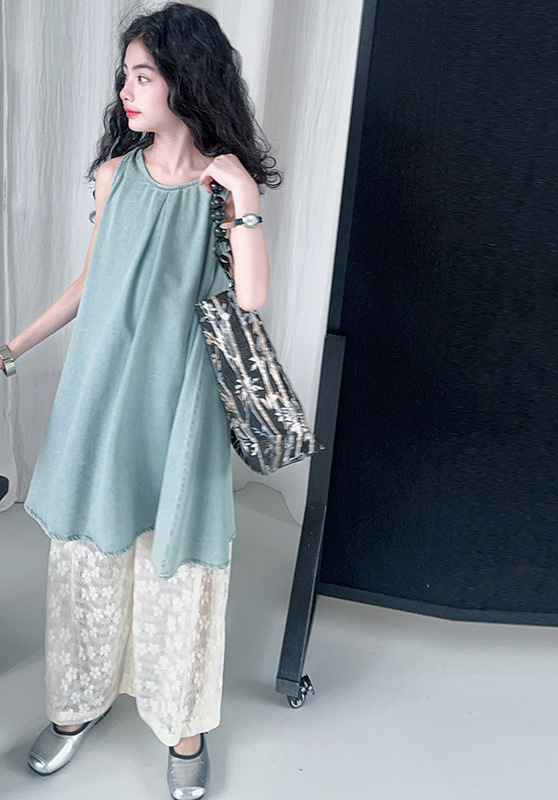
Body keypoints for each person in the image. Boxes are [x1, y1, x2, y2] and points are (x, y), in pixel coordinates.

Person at [0, 4, 279, 797]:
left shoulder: (221, 186)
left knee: (175, 556)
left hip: (183, 399)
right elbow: (90, 284)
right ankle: (76, 705)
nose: (126, 91)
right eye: (125, 76)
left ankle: (182, 722)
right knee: (90, 552)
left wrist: (244, 193)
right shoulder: (115, 175)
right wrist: (12, 348)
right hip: (102, 391)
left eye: (143, 76)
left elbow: (250, 298)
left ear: (185, 80)